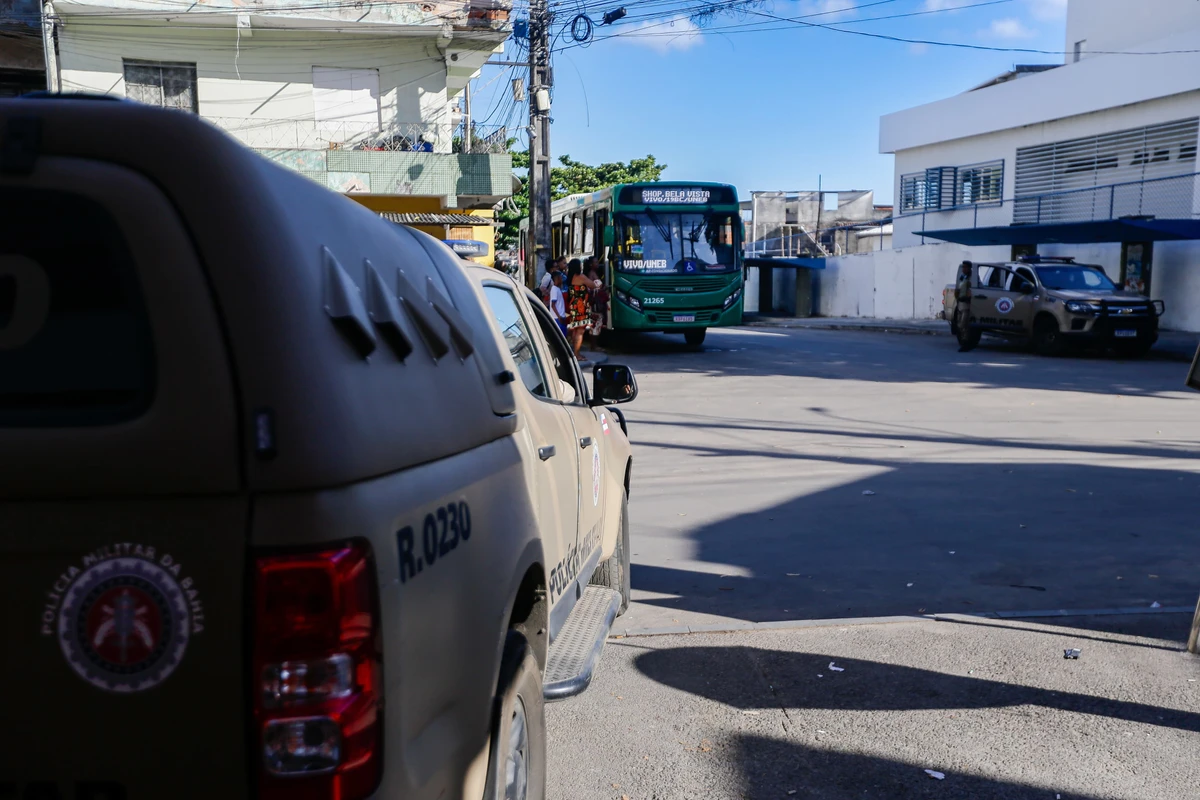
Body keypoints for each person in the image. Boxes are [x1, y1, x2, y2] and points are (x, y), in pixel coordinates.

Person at [566, 259, 602, 360]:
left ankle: (575, 353)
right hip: (581, 306)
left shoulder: (570, 277)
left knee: (575, 330)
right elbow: (593, 285)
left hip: (574, 305)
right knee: (580, 331)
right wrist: (598, 282)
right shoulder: (581, 277)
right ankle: (577, 354)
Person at [955, 260, 976, 352]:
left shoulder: (973, 278)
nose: (963, 269)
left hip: (967, 304)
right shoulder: (962, 277)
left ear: (969, 268)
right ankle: (964, 342)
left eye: (965, 267)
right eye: (963, 267)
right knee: (960, 325)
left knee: (964, 324)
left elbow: (974, 290)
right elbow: (959, 289)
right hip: (960, 303)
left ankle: (966, 343)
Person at [549, 270, 568, 339]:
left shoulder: (557, 289)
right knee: (561, 336)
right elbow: (553, 305)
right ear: (557, 279)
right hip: (557, 317)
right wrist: (559, 316)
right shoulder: (554, 289)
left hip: (560, 316)